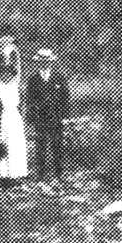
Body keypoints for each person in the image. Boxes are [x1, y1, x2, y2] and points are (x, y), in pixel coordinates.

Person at [23, 49, 71, 185]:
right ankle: (41, 174)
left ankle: (59, 173)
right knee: (40, 145)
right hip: (40, 117)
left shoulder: (59, 77)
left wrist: (64, 115)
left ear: (51, 62)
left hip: (55, 116)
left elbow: (65, 98)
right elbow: (29, 100)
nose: (45, 64)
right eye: (42, 62)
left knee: (57, 144)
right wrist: (31, 117)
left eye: (47, 62)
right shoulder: (33, 79)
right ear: (38, 63)